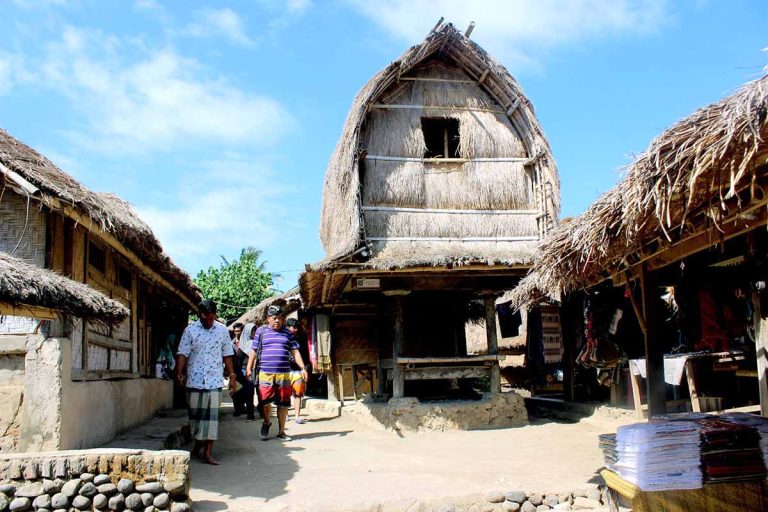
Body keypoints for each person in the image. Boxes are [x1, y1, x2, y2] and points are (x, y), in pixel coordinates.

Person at [175, 299, 236, 465]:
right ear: (199, 315)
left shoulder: (222, 330)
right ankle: (197, 446)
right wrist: (179, 371)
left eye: (211, 317)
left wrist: (232, 376)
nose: (209, 321)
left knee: (211, 419)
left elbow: (227, 354)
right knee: (196, 418)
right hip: (195, 380)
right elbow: (183, 352)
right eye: (205, 318)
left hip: (215, 380)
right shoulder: (190, 330)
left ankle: (208, 452)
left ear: (215, 315)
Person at [246, 305, 308, 441]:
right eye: (274, 318)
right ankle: (267, 422)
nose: (277, 321)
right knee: (265, 402)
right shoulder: (261, 332)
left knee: (283, 403)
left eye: (280, 318)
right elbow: (253, 350)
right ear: (268, 319)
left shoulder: (288, 333)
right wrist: (249, 367)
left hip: (284, 374)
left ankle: (281, 432)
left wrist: (303, 367)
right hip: (265, 373)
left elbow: (295, 352)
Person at [231, 322, 256, 421]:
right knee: (242, 392)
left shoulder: (256, 343)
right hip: (242, 371)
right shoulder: (241, 345)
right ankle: (245, 412)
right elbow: (237, 360)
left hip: (254, 370)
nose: (253, 332)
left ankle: (255, 414)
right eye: (252, 330)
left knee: (254, 393)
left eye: (255, 330)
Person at [286, 317, 308, 424]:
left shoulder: (300, 339)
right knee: (285, 394)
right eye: (293, 327)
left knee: (298, 393)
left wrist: (304, 368)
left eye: (296, 327)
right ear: (287, 327)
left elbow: (303, 354)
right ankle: (285, 415)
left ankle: (297, 416)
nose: (296, 329)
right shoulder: (282, 339)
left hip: (297, 370)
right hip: (285, 370)